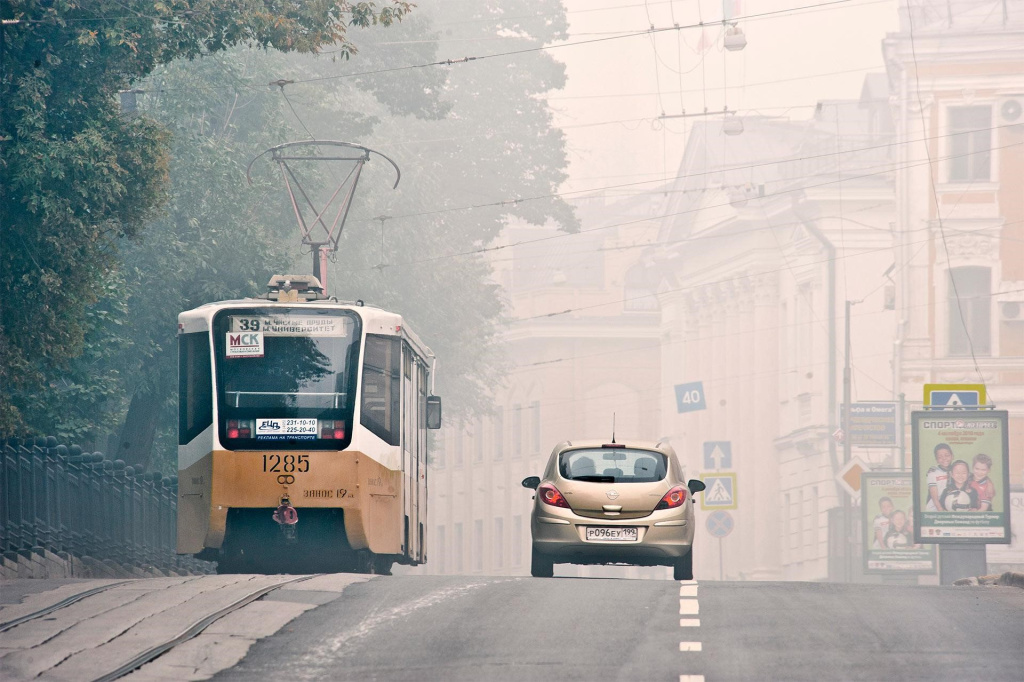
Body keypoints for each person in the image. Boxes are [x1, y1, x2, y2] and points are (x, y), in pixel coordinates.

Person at [926, 443, 953, 511]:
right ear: (937, 460)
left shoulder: (955, 470)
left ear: (952, 456)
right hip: (935, 508)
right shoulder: (933, 472)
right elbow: (934, 496)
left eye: (947, 455)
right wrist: (940, 509)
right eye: (940, 457)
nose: (944, 458)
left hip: (949, 506)